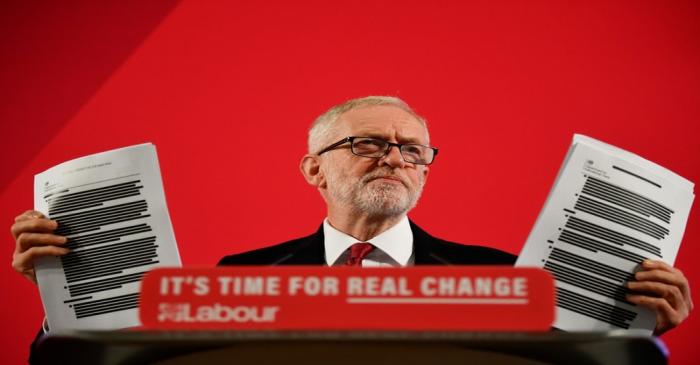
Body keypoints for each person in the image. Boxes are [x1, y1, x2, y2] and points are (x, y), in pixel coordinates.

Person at [11, 96, 693, 342]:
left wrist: (635, 334)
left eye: (412, 149)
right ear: (314, 169)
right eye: (367, 142)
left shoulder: (507, 280)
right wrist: (66, 299)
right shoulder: (238, 279)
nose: (393, 156)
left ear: (426, 169)